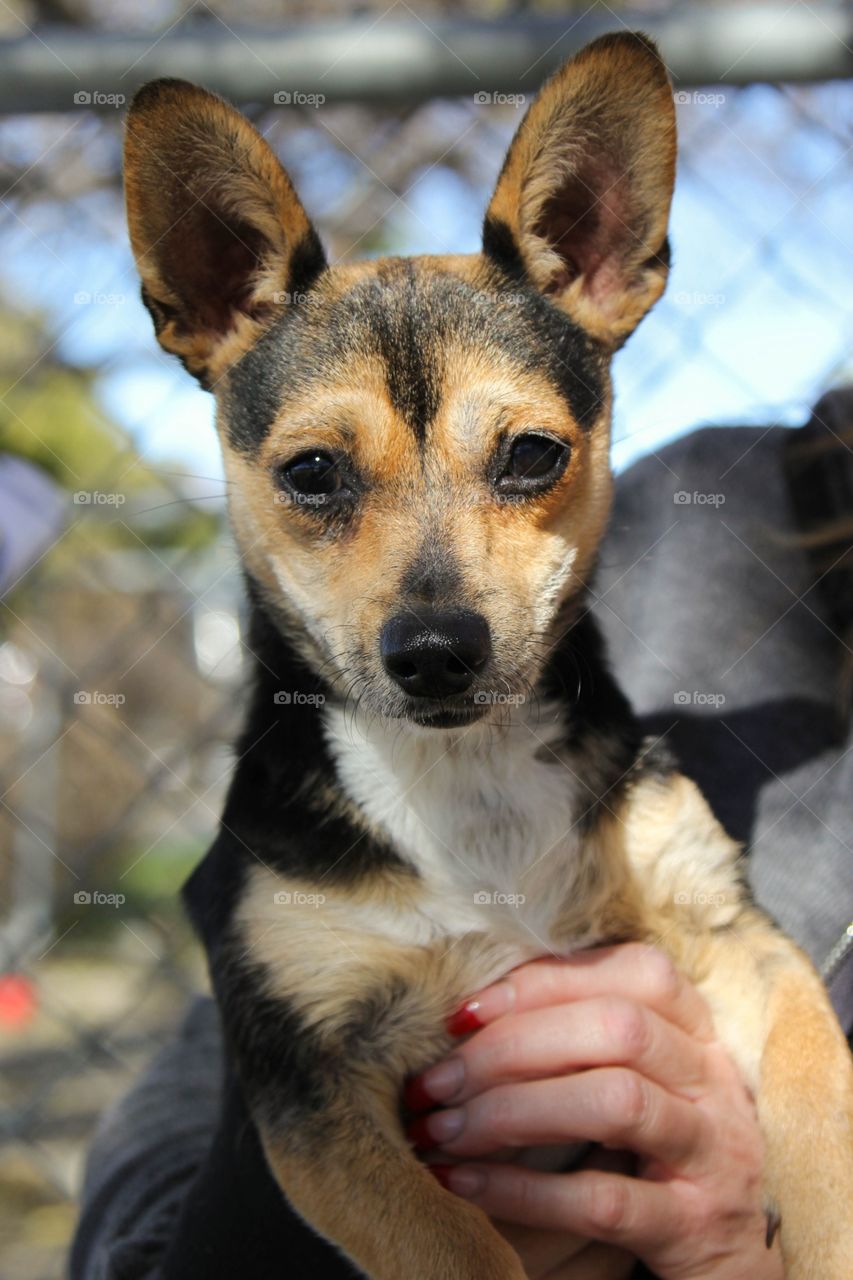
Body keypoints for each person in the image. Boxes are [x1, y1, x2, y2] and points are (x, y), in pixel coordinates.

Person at [70, 392, 853, 1280]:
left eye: (523, 460)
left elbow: (742, 957)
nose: (434, 616)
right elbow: (204, 1101)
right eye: (317, 476)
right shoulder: (711, 501)